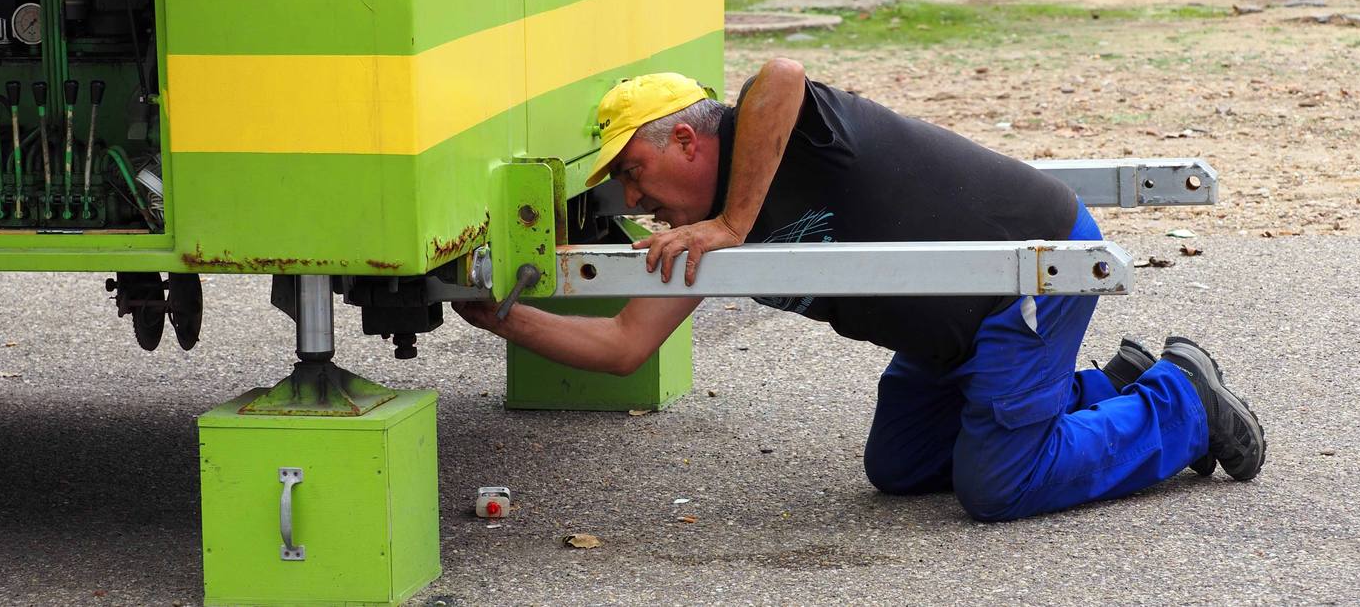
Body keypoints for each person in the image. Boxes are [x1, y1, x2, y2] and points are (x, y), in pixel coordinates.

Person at [453, 59, 1265, 521]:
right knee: (901, 466)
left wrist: (735, 222)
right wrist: (498, 318)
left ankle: (1179, 404)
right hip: (945, 333)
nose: (631, 200)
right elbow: (622, 346)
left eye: (633, 172)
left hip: (1027, 275)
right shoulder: (692, 234)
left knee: (999, 486)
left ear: (688, 139)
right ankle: (1102, 391)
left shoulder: (774, 134)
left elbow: (778, 74)